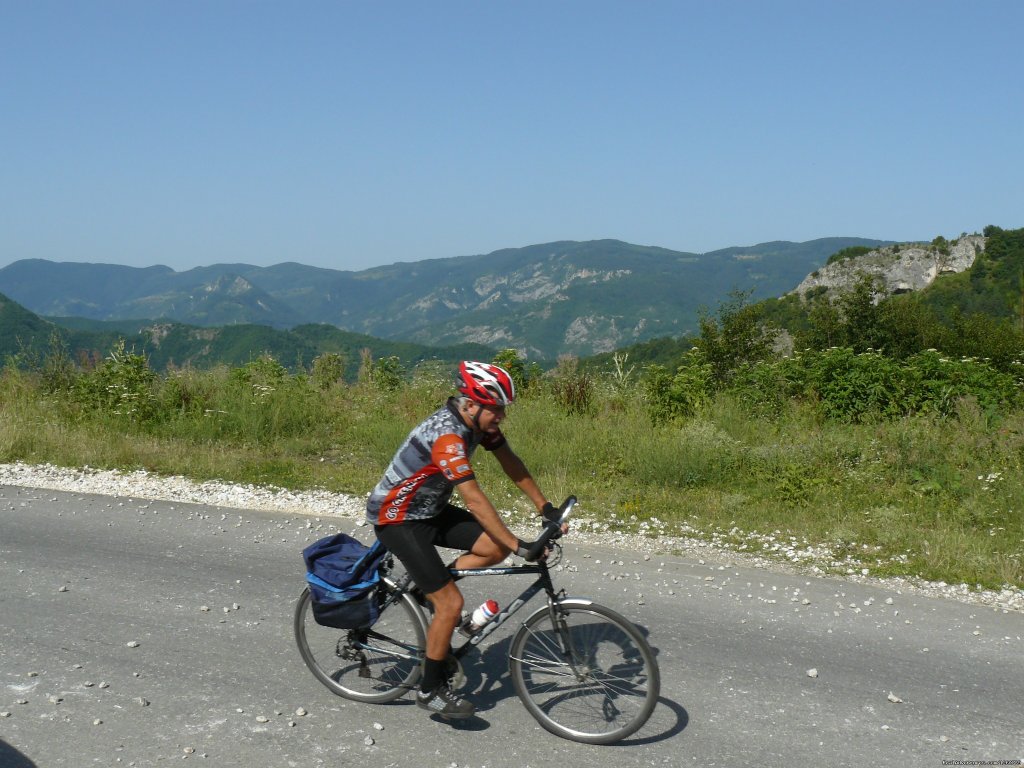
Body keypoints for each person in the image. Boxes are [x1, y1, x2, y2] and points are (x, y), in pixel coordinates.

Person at [366, 360, 561, 719]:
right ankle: (430, 690)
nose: (501, 416)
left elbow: (510, 461)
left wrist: (544, 506)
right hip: (397, 517)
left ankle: (428, 590)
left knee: (493, 547)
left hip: (429, 510)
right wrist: (522, 546)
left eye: (503, 409)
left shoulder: (477, 423)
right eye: (496, 409)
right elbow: (474, 499)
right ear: (471, 403)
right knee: (451, 605)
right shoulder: (447, 437)